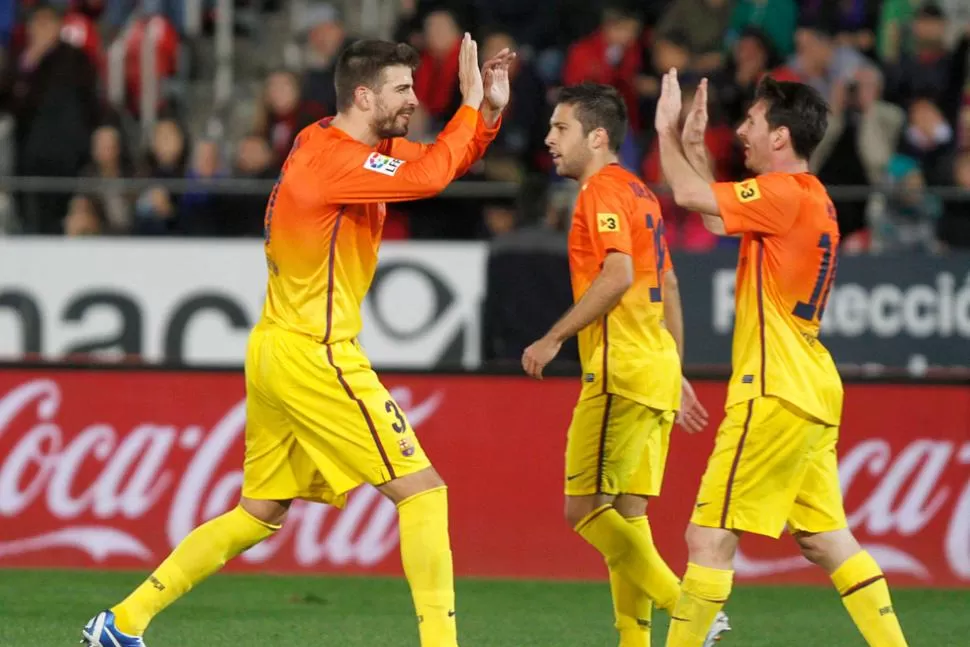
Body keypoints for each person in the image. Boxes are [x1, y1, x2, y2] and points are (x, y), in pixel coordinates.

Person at [81, 35, 515, 647]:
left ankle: (120, 623)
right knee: (423, 493)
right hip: (318, 350)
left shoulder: (323, 139)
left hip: (275, 347)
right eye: (402, 89)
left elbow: (435, 158)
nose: (415, 100)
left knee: (259, 512)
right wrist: (469, 103)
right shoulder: (336, 162)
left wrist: (487, 114)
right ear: (364, 96)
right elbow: (428, 176)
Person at [654, 69, 910, 647]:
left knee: (709, 538)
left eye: (752, 121)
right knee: (825, 538)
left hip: (773, 391)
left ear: (781, 138)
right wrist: (694, 147)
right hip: (813, 387)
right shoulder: (807, 197)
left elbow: (693, 198)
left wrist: (665, 131)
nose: (741, 130)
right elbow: (717, 216)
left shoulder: (784, 192)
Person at [520, 82, 729, 647]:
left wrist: (554, 337)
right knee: (627, 515)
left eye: (560, 129)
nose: (549, 140)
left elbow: (616, 275)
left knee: (583, 509)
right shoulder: (639, 192)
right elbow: (667, 280)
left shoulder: (601, 192)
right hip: (655, 367)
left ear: (597, 136)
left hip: (621, 372)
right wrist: (676, 368)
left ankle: (689, 612)